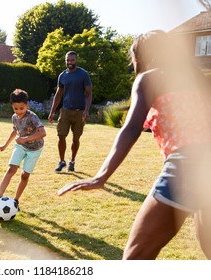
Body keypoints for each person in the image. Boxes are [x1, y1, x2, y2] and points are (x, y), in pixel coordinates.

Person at [58, 30, 211, 259]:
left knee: (135, 258)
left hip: (189, 164)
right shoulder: (198, 79)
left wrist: (101, 176)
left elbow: (131, 129)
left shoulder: (150, 78)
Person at [0, 89, 46, 209]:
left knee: (24, 176)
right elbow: (15, 131)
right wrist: (5, 145)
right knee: (11, 169)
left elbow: (43, 132)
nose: (18, 111)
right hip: (21, 147)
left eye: (21, 108)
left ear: (27, 105)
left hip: (35, 149)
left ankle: (16, 200)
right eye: (15, 109)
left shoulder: (32, 117)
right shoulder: (14, 117)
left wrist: (26, 139)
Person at [48, 51, 92, 172]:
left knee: (75, 139)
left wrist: (87, 110)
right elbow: (58, 94)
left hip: (80, 112)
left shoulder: (83, 75)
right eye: (68, 60)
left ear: (76, 60)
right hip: (65, 111)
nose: (70, 62)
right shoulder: (62, 76)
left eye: (72, 60)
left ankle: (72, 161)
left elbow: (89, 94)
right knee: (61, 136)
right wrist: (52, 112)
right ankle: (62, 161)